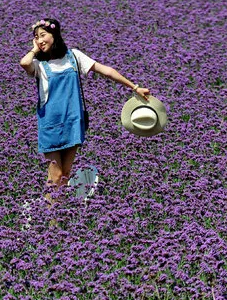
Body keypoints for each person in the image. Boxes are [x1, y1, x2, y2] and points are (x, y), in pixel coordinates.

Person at [20, 19, 150, 193]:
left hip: (73, 121)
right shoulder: (39, 65)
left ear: (55, 35)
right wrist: (35, 49)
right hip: (50, 124)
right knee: (55, 177)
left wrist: (134, 87)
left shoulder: (73, 57)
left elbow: (107, 71)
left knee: (65, 175)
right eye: (36, 37)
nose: (39, 40)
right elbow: (24, 63)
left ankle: (57, 215)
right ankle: (48, 219)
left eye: (43, 35)